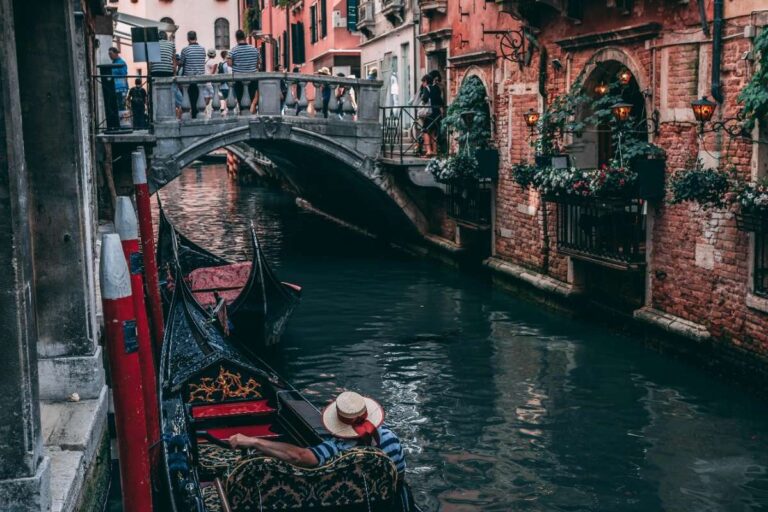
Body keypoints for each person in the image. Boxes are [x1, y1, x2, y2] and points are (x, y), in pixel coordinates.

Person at [228, 391, 413, 511]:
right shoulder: (391, 440)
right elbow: (398, 479)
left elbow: (298, 456)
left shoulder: (336, 448)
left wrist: (253, 441)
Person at [229, 29, 260, 113]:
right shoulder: (254, 49)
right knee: (251, 97)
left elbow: (229, 63)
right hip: (252, 78)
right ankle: (250, 116)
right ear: (245, 37)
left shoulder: (233, 50)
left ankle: (243, 115)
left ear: (236, 38)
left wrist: (237, 65)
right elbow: (258, 63)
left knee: (240, 99)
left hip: (238, 79)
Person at [180, 31, 207, 118]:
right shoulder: (202, 49)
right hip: (200, 78)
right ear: (196, 38)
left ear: (188, 39)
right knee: (199, 98)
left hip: (189, 78)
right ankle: (197, 115)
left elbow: (182, 63)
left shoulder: (185, 50)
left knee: (191, 99)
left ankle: (194, 116)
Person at [427, 71, 445, 157]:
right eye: (436, 79)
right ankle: (433, 150)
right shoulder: (435, 88)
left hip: (430, 111)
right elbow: (440, 101)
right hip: (435, 111)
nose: (437, 81)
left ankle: (432, 150)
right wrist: (442, 111)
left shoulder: (429, 87)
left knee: (432, 131)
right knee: (433, 131)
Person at [414, 74, 432, 156]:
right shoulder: (433, 87)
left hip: (426, 112)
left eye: (423, 82)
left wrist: (422, 102)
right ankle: (431, 150)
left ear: (425, 81)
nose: (422, 83)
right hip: (433, 112)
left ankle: (428, 150)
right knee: (429, 130)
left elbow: (425, 99)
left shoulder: (426, 88)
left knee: (425, 130)